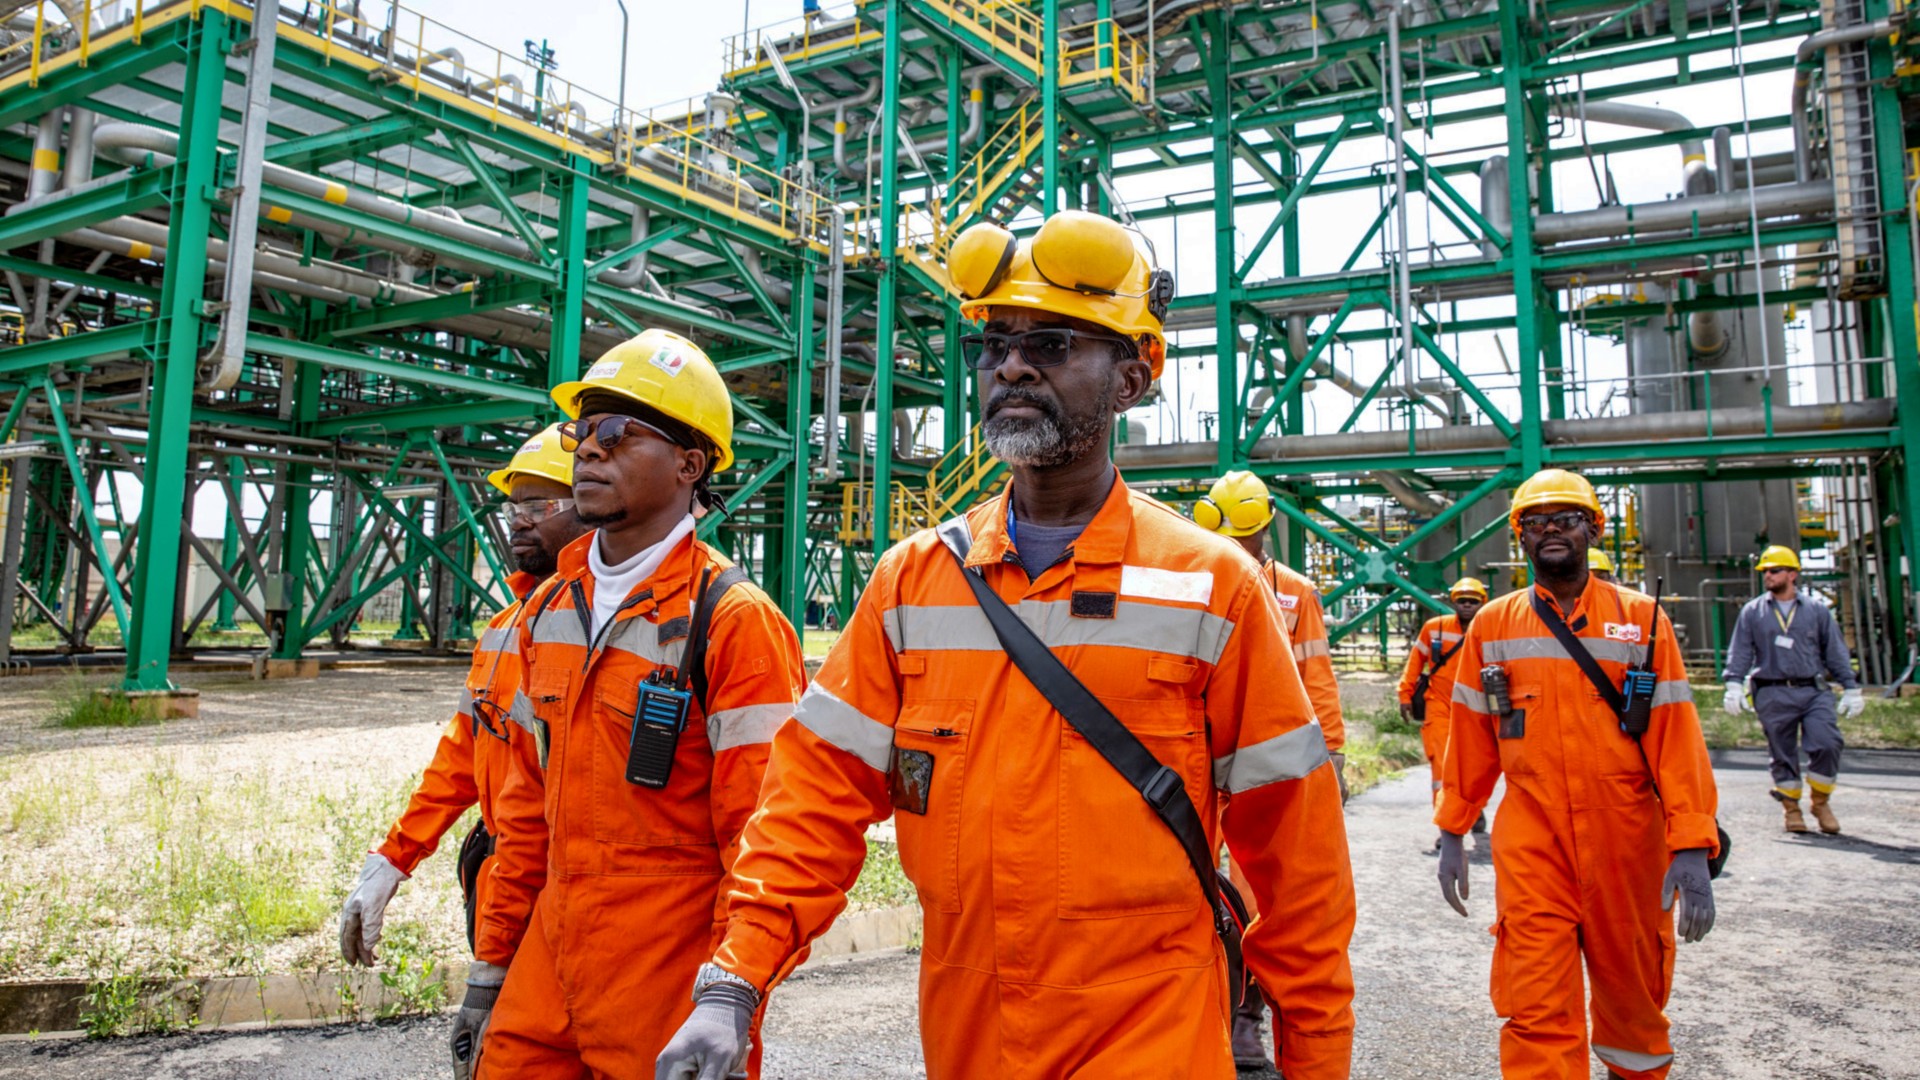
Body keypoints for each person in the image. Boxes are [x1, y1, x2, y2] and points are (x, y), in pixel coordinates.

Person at [658, 210, 1356, 1080]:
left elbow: (1296, 856)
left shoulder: (1210, 585)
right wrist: (734, 982)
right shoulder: (912, 580)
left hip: (1153, 1029)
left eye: (1055, 344)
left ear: (1132, 379)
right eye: (994, 346)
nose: (1013, 364)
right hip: (969, 1033)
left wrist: (1313, 1051)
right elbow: (813, 801)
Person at [477, 329, 808, 1078]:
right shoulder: (552, 608)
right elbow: (524, 811)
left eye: (621, 431)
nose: (590, 450)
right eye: (582, 430)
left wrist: (733, 992)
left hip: (667, 991)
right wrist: (493, 965)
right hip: (544, 978)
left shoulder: (732, 620)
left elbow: (770, 839)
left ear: (691, 464)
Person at [1436, 468, 1719, 1080]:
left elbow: (1676, 736)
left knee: (1634, 1004)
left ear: (1593, 527)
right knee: (1535, 1002)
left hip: (1628, 842)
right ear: (1521, 539)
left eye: (1565, 520)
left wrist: (1692, 842)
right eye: (1535, 524)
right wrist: (1454, 830)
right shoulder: (1493, 625)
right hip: (1533, 841)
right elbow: (1471, 738)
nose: (1550, 532)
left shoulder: (1643, 620)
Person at [335, 424, 586, 1076]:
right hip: (503, 878)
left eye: (539, 506)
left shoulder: (601, 626)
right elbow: (460, 759)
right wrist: (393, 860)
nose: (519, 523)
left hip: (570, 891)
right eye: (514, 507)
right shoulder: (503, 630)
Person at [1191, 467, 1350, 1068]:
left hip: (1270, 771)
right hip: (1201, 769)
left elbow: (1318, 682)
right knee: (1201, 896)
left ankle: (1249, 1019)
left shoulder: (1295, 594)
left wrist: (1329, 759)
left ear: (1265, 531)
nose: (1239, 550)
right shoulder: (1192, 579)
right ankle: (1208, 1010)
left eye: (1246, 539)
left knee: (1266, 904)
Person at [1721, 544, 1863, 834]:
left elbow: (1834, 651)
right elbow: (1741, 652)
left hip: (1812, 690)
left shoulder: (1816, 611)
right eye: (1765, 572)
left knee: (1827, 742)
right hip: (1771, 691)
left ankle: (1820, 802)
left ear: (1792, 574)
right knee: (1781, 752)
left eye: (1774, 571)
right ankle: (1791, 809)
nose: (1768, 576)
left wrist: (1851, 687)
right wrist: (1733, 684)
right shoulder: (1753, 612)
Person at [1397, 577, 1488, 844]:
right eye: (1463, 601)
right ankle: (1446, 827)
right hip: (1439, 706)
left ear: (1482, 603)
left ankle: (1473, 807)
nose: (1468, 606)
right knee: (1442, 766)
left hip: (1475, 710)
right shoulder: (1434, 628)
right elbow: (1415, 663)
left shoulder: (1489, 629)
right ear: (1453, 602)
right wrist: (1405, 694)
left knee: (1473, 765)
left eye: (1473, 601)